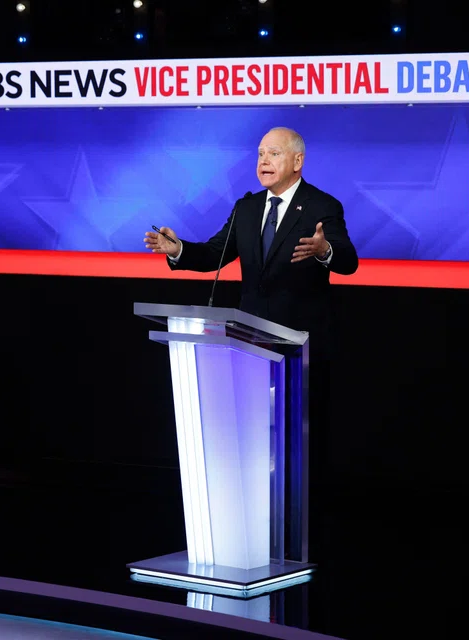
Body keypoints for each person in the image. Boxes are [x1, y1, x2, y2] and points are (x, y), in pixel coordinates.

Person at [143, 126, 359, 559]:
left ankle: (303, 542)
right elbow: (213, 254)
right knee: (255, 444)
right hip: (248, 347)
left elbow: (348, 260)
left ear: (297, 161)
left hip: (300, 351)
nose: (263, 160)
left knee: (299, 451)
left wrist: (323, 250)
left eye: (273, 153)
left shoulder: (321, 206)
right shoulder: (246, 207)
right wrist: (179, 248)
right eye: (260, 152)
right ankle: (253, 534)